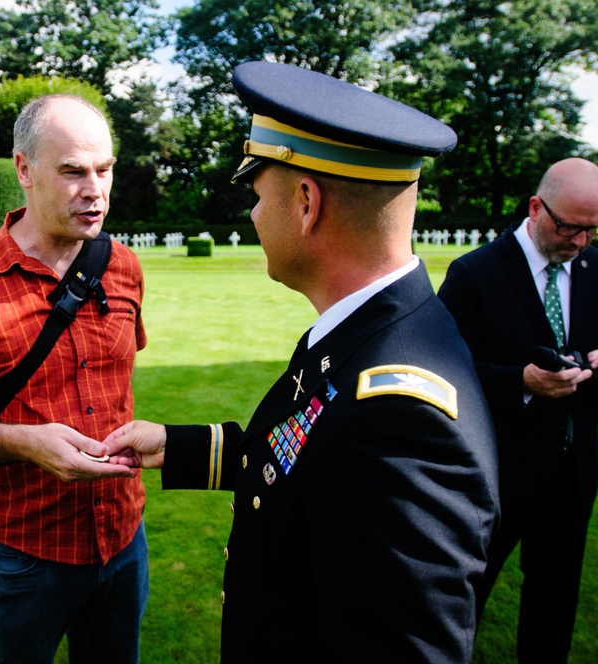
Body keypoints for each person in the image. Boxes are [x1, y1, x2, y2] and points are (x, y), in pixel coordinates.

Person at [104, 61, 500, 663]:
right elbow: (305, 461)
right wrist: (175, 446)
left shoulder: (399, 415)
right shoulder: (373, 334)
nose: (253, 215)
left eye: (258, 194)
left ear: (307, 202)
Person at [0, 94, 148, 664]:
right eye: (72, 171)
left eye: (104, 169)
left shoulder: (124, 267)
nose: (95, 189)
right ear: (24, 170)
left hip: (122, 537)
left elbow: (115, 385)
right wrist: (24, 441)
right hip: (20, 554)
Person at [436, 157, 598, 662]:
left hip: (572, 472)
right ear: (535, 207)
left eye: (594, 229)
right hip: (494, 476)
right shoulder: (474, 273)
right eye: (570, 227)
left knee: (555, 602)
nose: (581, 242)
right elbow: (441, 375)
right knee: (464, 599)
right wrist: (519, 383)